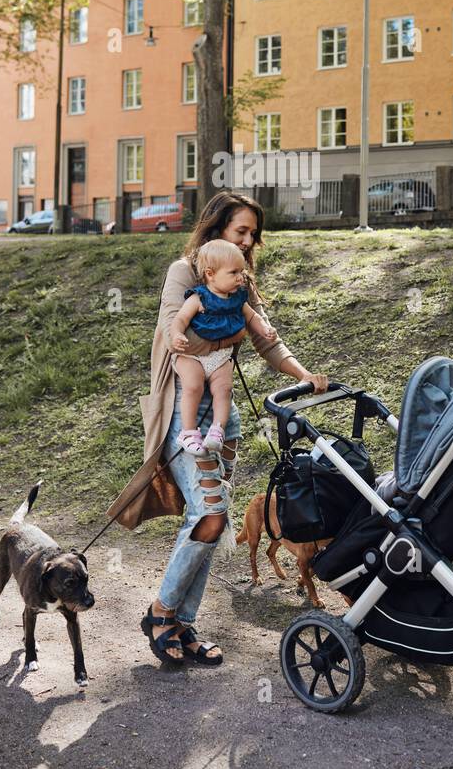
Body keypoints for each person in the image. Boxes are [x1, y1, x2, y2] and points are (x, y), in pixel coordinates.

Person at [107, 192, 329, 667]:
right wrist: (226, 331)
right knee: (208, 511)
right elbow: (175, 331)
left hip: (225, 416)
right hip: (185, 409)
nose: (249, 242)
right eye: (241, 232)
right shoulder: (186, 273)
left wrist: (303, 374)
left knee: (215, 518)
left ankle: (182, 624)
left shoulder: (237, 279)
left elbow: (268, 339)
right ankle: (161, 613)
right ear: (216, 229)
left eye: (253, 235)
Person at [169, 237, 277, 456]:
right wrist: (177, 334)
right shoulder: (199, 298)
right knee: (193, 386)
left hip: (220, 355)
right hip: (193, 356)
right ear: (210, 274)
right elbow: (180, 319)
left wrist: (264, 328)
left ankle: (217, 430)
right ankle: (188, 432)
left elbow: (252, 316)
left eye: (242, 272)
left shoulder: (238, 298)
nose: (240, 278)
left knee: (224, 389)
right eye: (234, 273)